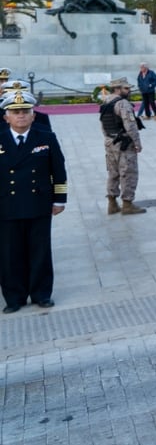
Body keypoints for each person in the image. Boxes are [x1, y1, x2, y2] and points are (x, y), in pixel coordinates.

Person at [0, 90, 67, 313]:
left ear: (33, 115)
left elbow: (58, 170)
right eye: (15, 112)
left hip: (38, 203)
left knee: (40, 251)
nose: (21, 116)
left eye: (25, 111)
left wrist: (59, 200)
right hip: (6, 206)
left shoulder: (46, 138)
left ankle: (41, 293)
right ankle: (14, 297)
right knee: (10, 254)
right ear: (6, 117)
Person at [99, 77, 145, 215]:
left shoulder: (106, 101)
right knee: (128, 172)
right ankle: (127, 204)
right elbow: (130, 125)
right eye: (126, 88)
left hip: (109, 142)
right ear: (117, 89)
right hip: (124, 144)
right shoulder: (123, 103)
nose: (129, 90)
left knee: (113, 173)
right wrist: (137, 143)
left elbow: (103, 124)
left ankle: (112, 204)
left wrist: (108, 139)